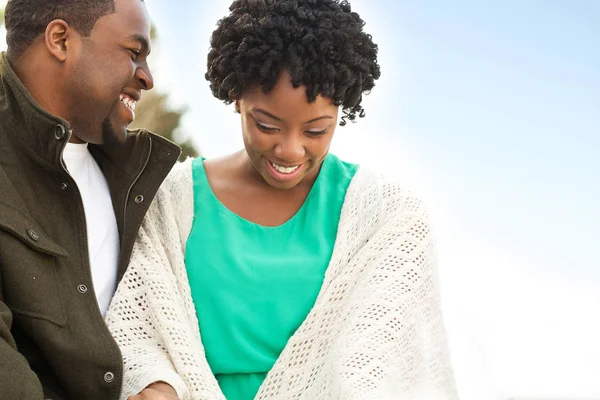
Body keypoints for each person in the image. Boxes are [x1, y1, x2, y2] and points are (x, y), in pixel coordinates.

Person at [106, 0, 458, 399]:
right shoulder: (168, 201)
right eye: (267, 125)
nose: (290, 151)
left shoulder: (388, 217)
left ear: (341, 110)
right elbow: (133, 330)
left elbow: (381, 373)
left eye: (316, 131)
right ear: (236, 98)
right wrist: (154, 384)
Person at [0, 0, 181, 399]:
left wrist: (160, 382)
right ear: (61, 41)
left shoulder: (143, 183)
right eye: (134, 54)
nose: (147, 78)